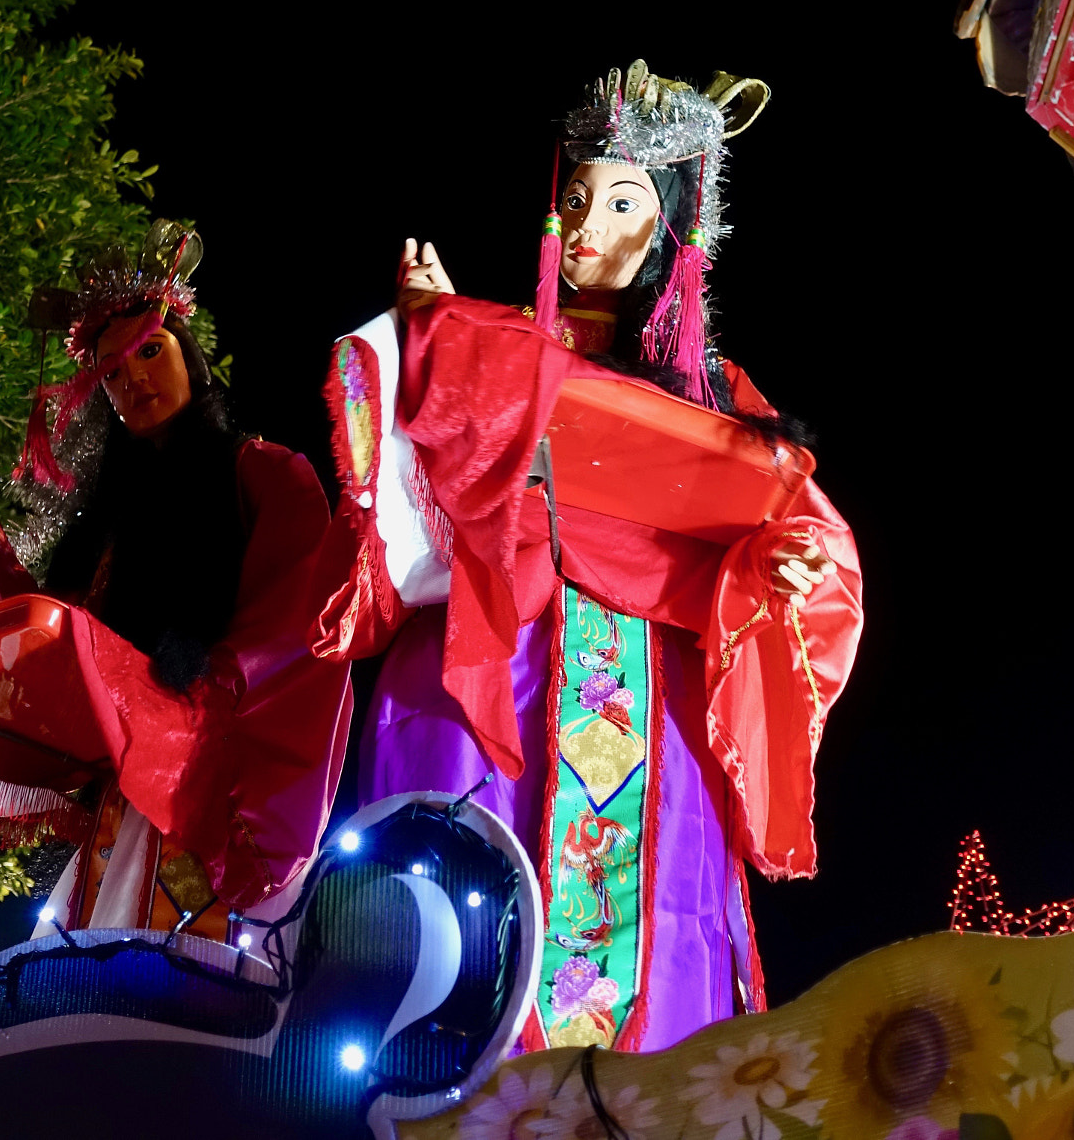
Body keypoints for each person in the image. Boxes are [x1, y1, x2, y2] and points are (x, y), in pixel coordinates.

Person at [310, 64, 864, 1052]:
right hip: (497, 668)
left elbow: (796, 530)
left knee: (654, 943)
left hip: (651, 692)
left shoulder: (721, 398)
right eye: (576, 200)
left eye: (621, 201)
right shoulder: (499, 345)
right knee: (456, 936)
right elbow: (404, 504)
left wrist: (774, 571)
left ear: (674, 229)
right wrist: (432, 349)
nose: (591, 226)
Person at [0, 223, 350, 937]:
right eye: (113, 373)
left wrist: (204, 682)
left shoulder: (266, 472)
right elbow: (31, 619)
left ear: (191, 355)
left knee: (184, 988)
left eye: (150, 352)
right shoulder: (111, 524)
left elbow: (299, 609)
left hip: (209, 787)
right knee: (82, 986)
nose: (135, 380)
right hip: (121, 796)